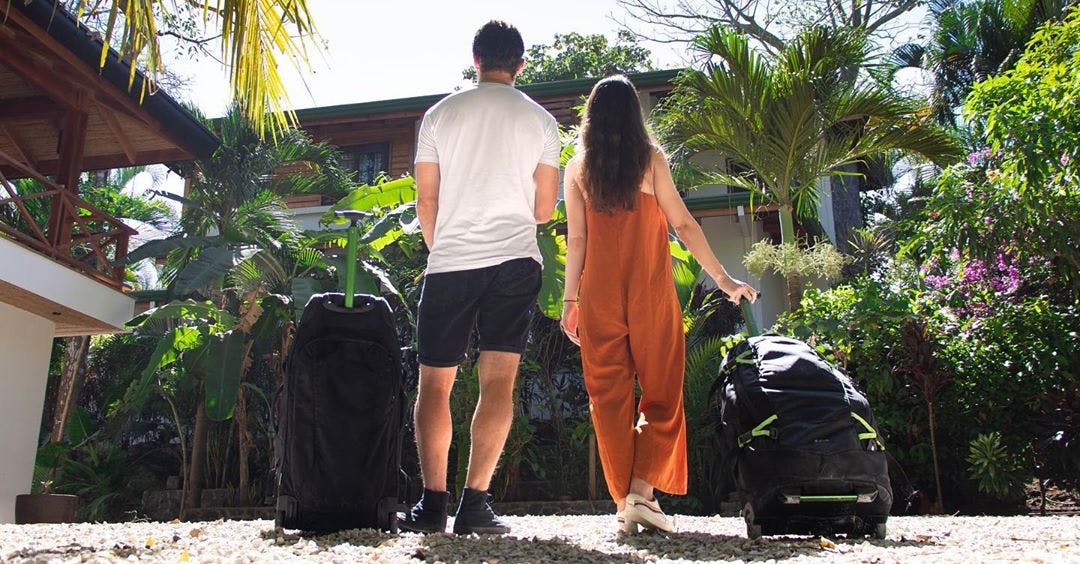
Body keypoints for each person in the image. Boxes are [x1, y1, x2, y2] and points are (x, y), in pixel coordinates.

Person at [560, 75, 758, 533]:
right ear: (635, 115)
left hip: (599, 298)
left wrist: (570, 299)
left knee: (607, 399)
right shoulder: (650, 159)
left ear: (591, 117)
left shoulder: (577, 168)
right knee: (663, 392)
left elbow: (577, 238)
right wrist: (725, 280)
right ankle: (641, 492)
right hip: (649, 293)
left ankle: (629, 499)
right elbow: (684, 226)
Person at [400, 20, 561, 535]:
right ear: (520, 64)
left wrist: (441, 246)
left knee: (435, 383)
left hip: (450, 262)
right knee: (497, 382)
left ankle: (431, 506)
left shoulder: (439, 115)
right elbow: (543, 210)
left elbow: (426, 200)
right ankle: (475, 506)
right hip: (515, 261)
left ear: (476, 60)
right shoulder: (541, 121)